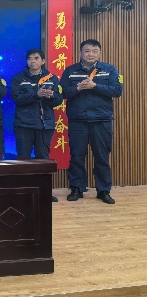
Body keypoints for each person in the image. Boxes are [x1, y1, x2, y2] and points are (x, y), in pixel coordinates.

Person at [60, 39, 123, 204]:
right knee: (77, 156)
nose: (91, 54)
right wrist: (78, 88)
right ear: (80, 53)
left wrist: (95, 86)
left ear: (99, 53)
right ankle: (76, 188)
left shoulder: (109, 70)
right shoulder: (70, 71)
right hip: (77, 120)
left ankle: (103, 190)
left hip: (101, 119)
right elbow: (62, 92)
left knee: (102, 157)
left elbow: (117, 90)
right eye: (87, 51)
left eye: (95, 51)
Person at [11, 49, 62, 202]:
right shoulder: (19, 78)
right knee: (23, 160)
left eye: (36, 58)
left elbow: (59, 99)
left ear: (43, 61)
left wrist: (50, 97)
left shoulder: (52, 78)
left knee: (43, 160)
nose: (32, 61)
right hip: (24, 125)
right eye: (29, 59)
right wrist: (36, 95)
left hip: (45, 125)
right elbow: (16, 98)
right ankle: (23, 192)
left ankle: (44, 192)